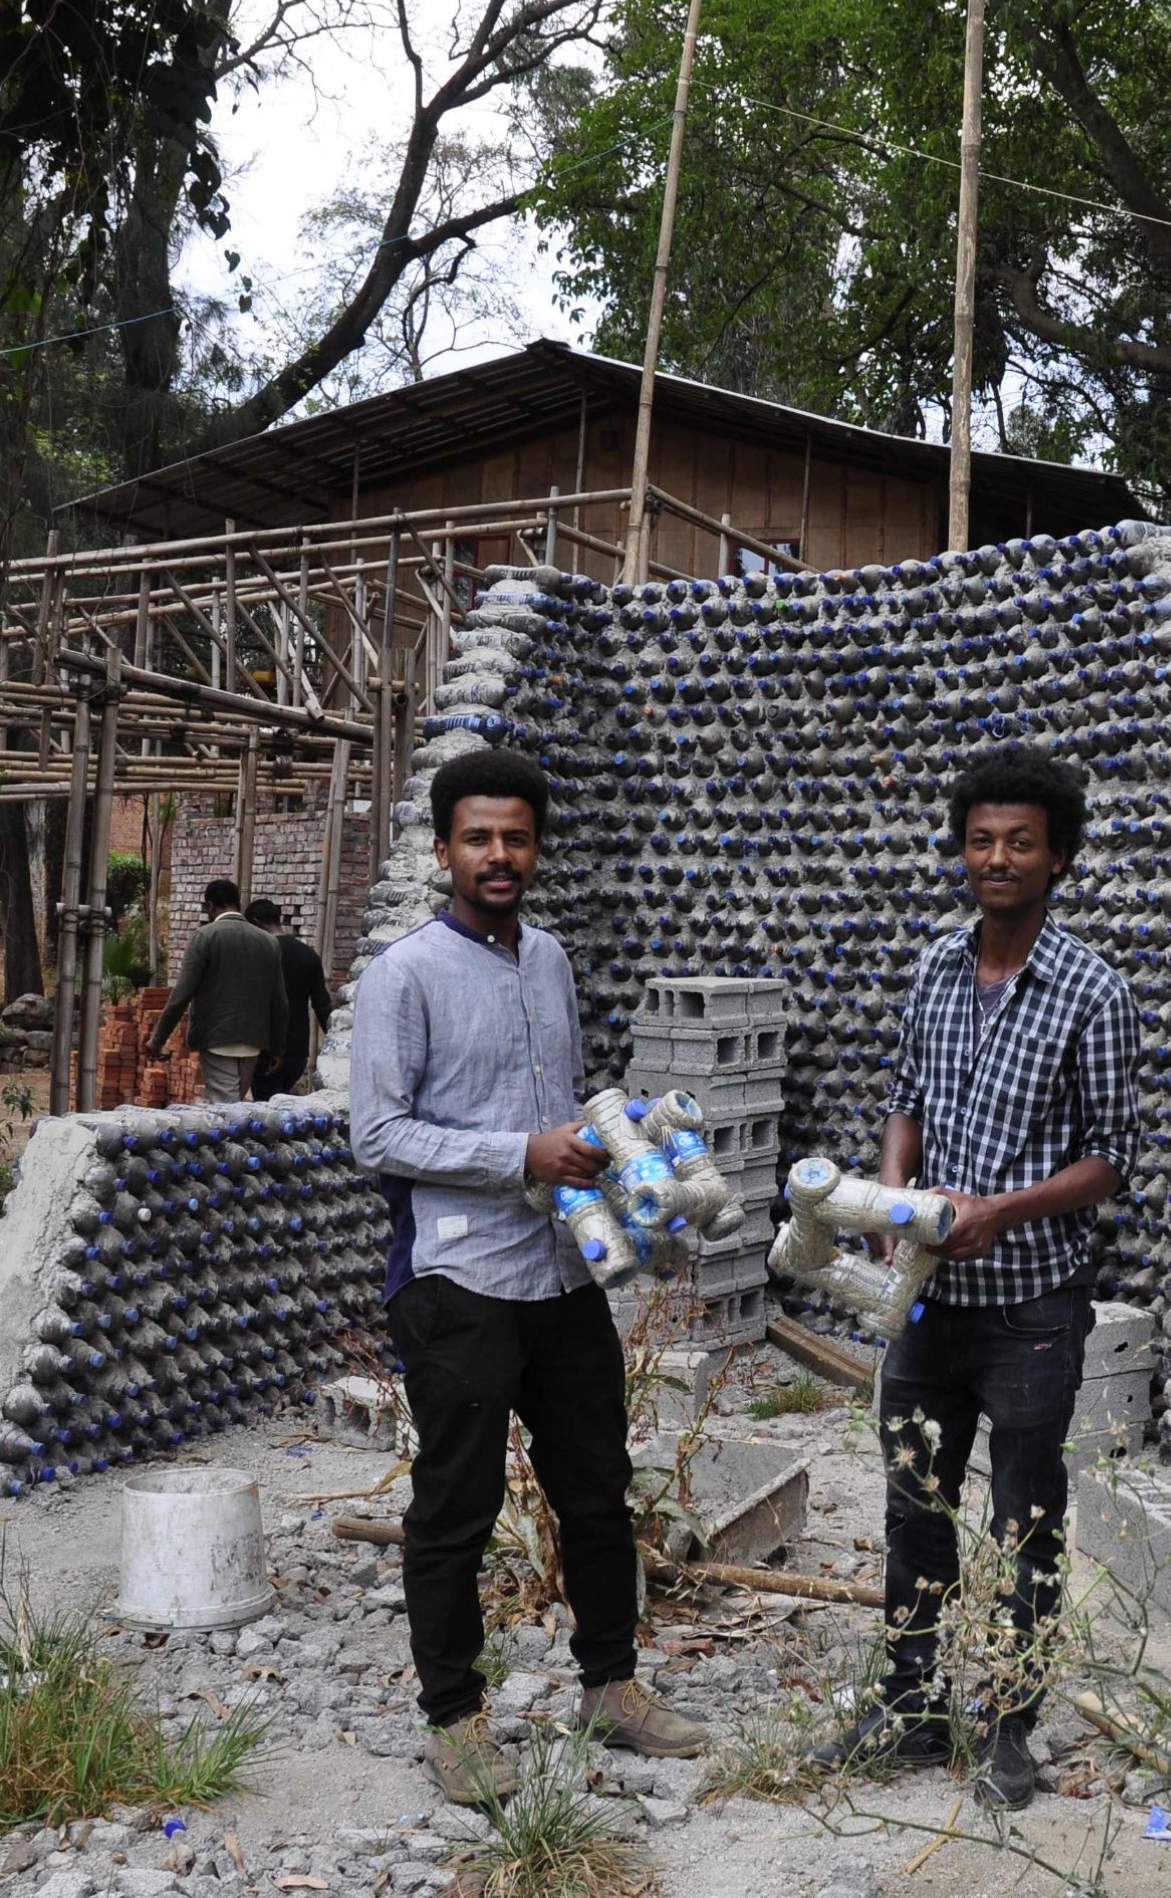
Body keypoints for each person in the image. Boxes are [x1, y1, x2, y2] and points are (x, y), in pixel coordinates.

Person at [348, 747, 707, 1808]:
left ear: (536, 845)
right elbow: (377, 1132)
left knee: (597, 1489)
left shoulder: (545, 956)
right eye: (477, 837)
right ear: (443, 848)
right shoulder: (402, 973)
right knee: (452, 1509)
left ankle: (610, 1683)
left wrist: (610, 1141)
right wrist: (520, 1153)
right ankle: (455, 1720)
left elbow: (555, 1102)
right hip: (458, 1276)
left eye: (515, 836)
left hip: (560, 1271)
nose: (498, 855)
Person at [810, 745, 1139, 1810]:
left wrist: (1001, 1209)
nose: (997, 858)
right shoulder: (936, 967)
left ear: (1057, 858)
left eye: (1020, 843)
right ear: (959, 848)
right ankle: (910, 1701)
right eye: (982, 839)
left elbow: (1110, 1157)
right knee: (913, 1502)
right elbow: (904, 1097)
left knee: (1023, 1514)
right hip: (927, 1305)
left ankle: (1009, 1721)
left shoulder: (1092, 989)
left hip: (1032, 1309)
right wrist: (889, 1200)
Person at [147, 878, 289, 1103]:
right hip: (254, 1039)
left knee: (227, 1111)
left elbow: (182, 995)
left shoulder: (204, 937)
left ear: (210, 906)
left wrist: (158, 1038)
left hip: (217, 1036)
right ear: (238, 905)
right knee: (236, 1107)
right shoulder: (268, 942)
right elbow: (280, 1001)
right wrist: (278, 1047)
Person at [245, 899, 333, 1099]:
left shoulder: (261, 954)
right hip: (297, 1052)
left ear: (256, 923)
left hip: (266, 1051)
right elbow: (322, 1005)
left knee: (267, 1115)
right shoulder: (307, 954)